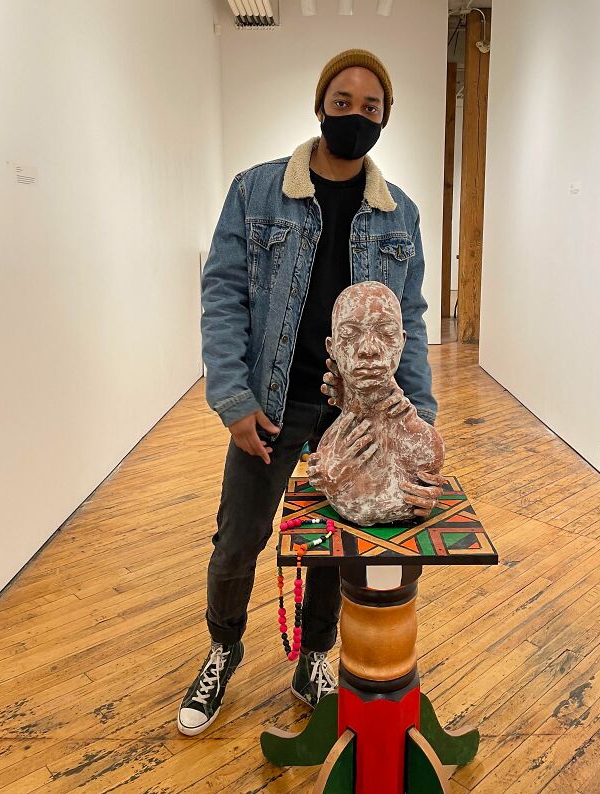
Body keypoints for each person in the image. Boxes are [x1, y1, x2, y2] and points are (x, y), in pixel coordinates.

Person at [177, 48, 440, 737]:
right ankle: (223, 646)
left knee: (337, 545)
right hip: (270, 405)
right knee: (238, 538)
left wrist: (421, 424)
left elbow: (408, 320)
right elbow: (224, 297)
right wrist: (232, 399)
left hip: (351, 413)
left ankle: (315, 655)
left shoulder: (399, 213)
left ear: (386, 119)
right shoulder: (257, 191)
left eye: (371, 108)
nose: (355, 117)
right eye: (344, 103)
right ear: (321, 106)